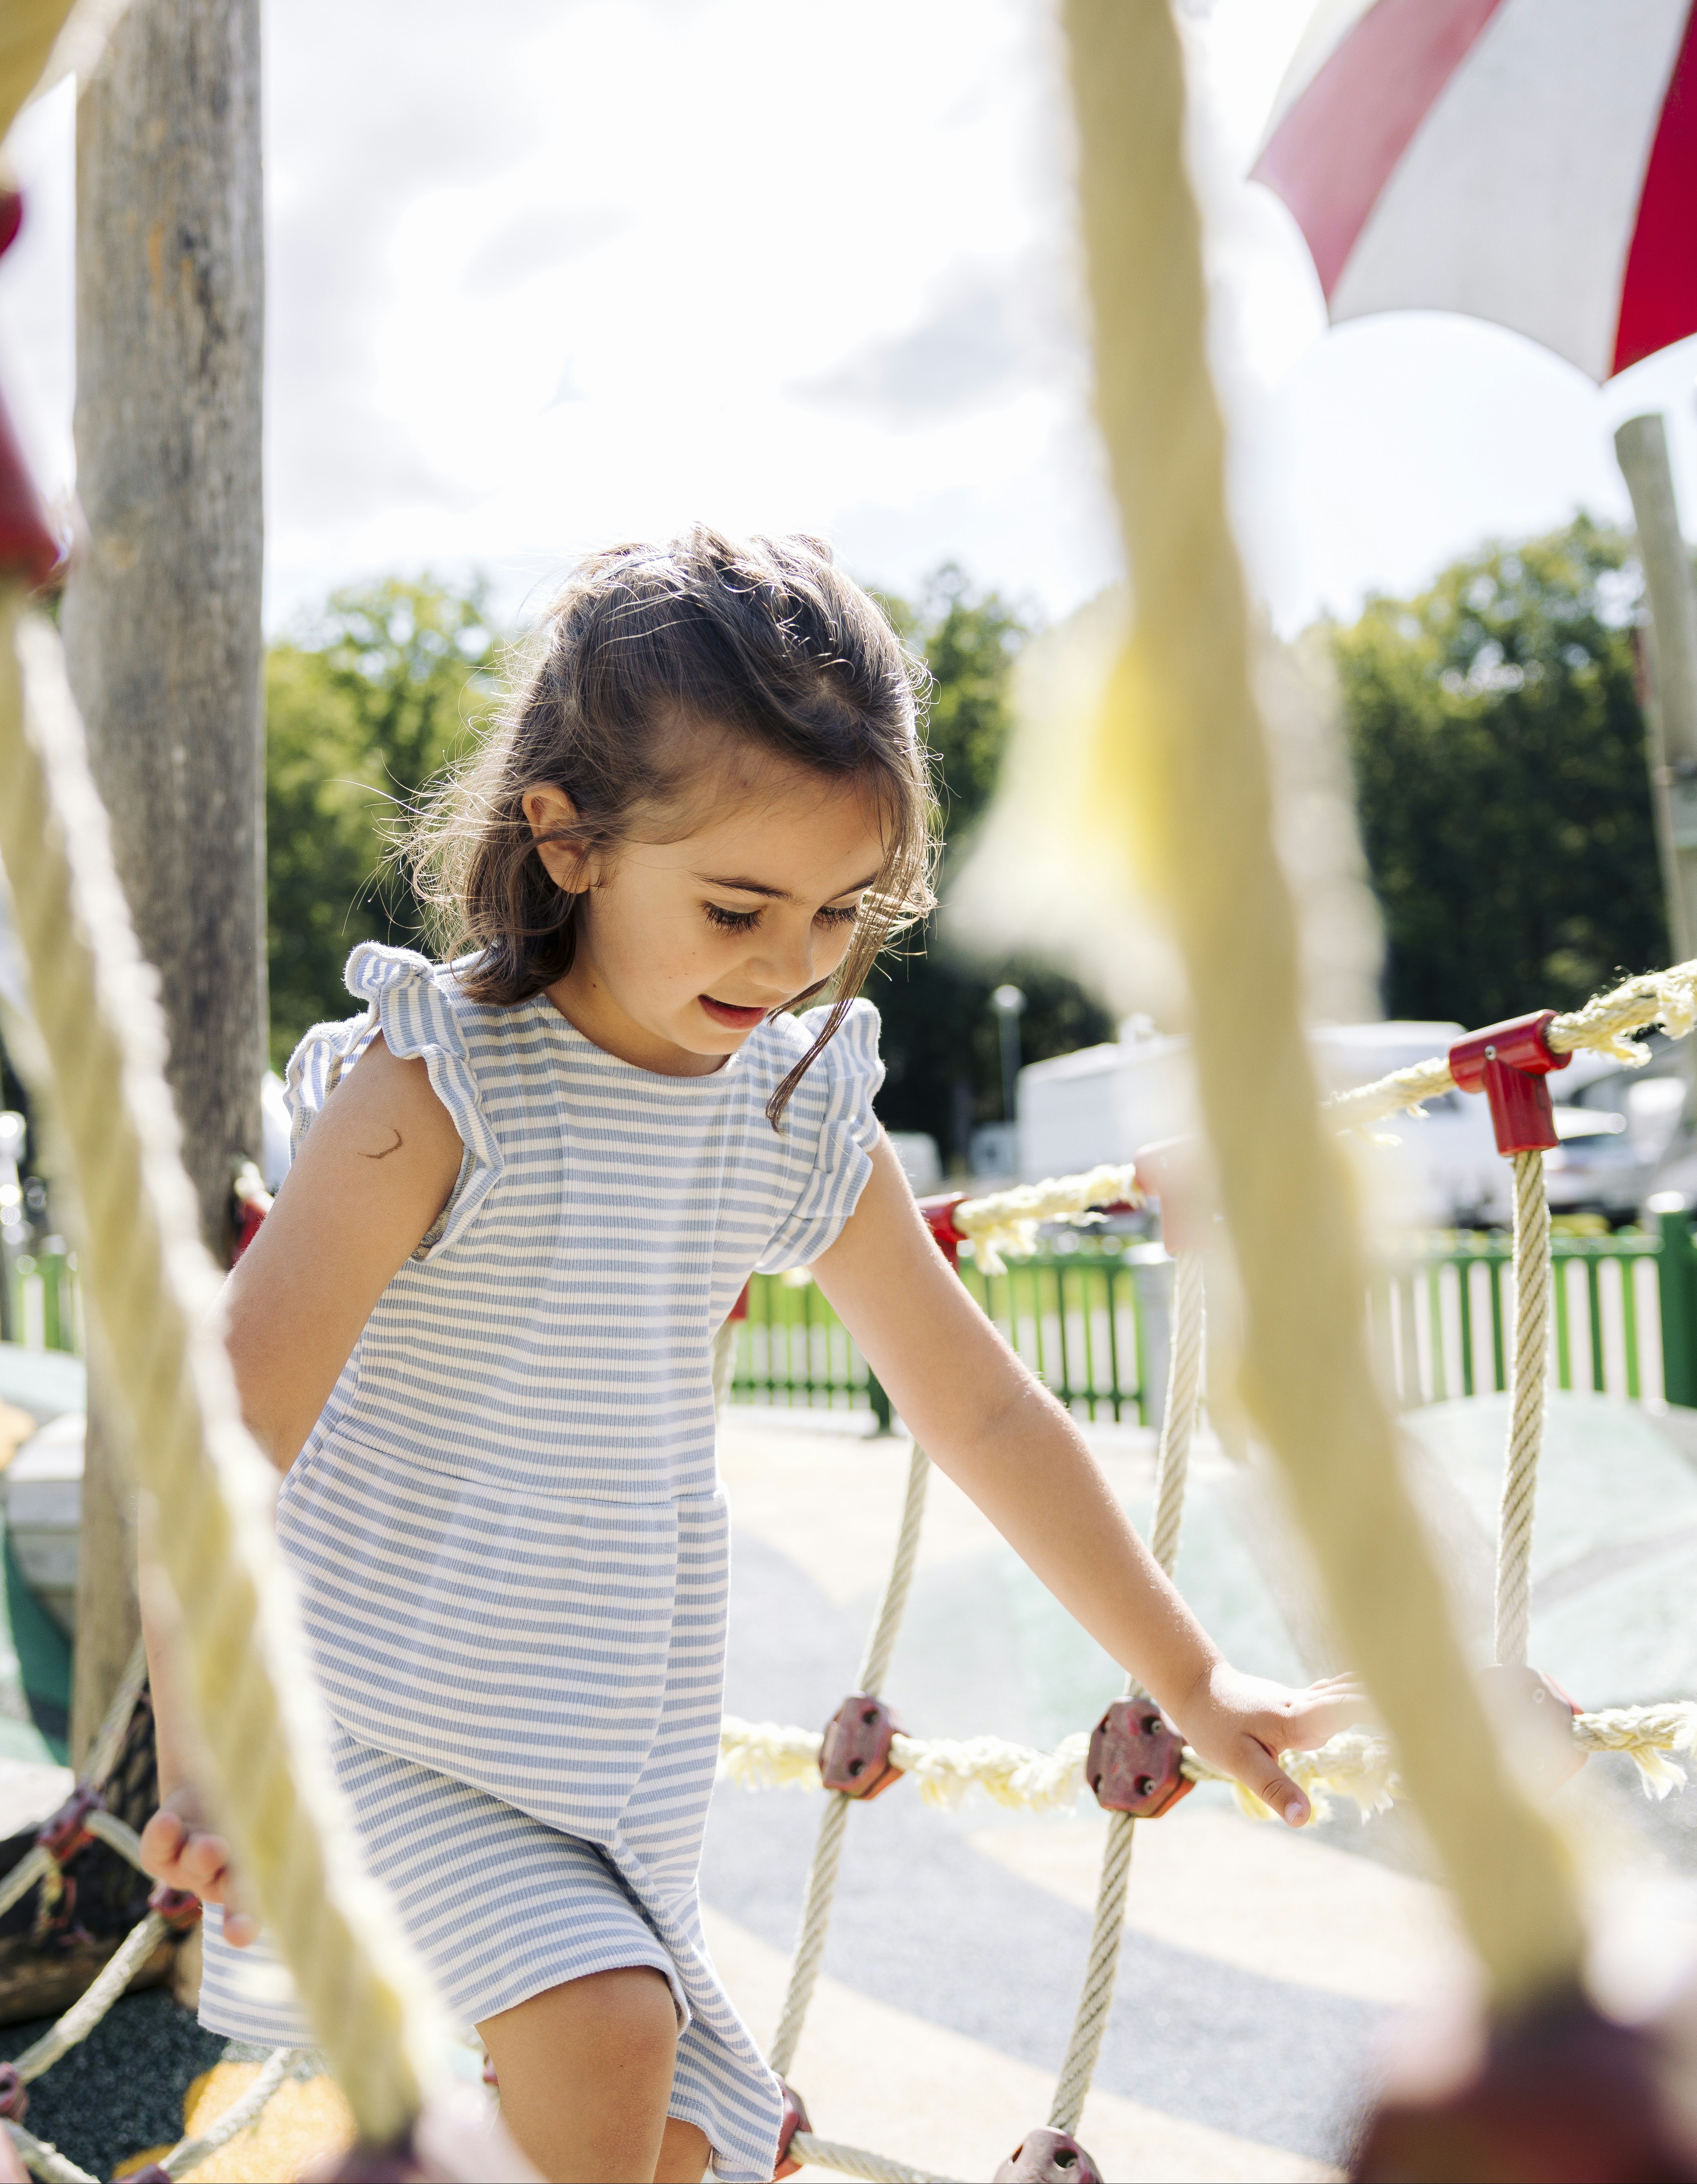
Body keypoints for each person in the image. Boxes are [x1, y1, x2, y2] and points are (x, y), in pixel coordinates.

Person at [138, 530, 1357, 2184]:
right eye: (736, 907)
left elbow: (980, 1408)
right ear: (566, 840)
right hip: (373, 1715)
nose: (789, 961)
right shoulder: (437, 1087)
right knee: (605, 2036)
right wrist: (204, 1762)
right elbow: (216, 1438)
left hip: (605, 1756)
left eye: (839, 911)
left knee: (683, 2141)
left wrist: (1192, 1678)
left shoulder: (786, 1105)